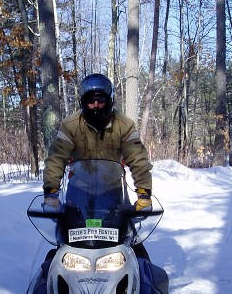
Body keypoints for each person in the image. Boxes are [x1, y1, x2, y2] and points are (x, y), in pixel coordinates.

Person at [43, 73, 152, 211]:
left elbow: (138, 158)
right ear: (83, 102)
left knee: (124, 228)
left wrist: (144, 193)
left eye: (100, 100)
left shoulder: (124, 125)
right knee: (66, 226)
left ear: (109, 100)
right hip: (78, 188)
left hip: (112, 189)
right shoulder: (70, 125)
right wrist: (51, 192)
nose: (95, 105)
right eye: (90, 100)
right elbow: (56, 158)